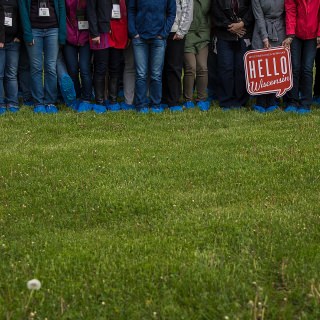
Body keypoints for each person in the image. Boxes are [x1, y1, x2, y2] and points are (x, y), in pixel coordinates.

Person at [128, 0, 176, 113]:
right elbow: (131, 10)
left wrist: (164, 34)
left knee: (156, 74)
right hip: (139, 38)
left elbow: (172, 13)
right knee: (141, 74)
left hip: (158, 38)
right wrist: (133, 33)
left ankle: (156, 105)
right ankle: (141, 105)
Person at [19, 0, 66, 113]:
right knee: (36, 68)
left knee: (50, 67)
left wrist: (62, 34)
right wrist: (28, 34)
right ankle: (38, 102)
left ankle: (50, 102)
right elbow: (23, 11)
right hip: (34, 30)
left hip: (53, 30)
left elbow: (61, 8)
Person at [212, 0, 254, 111]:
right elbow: (216, 11)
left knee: (241, 68)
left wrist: (242, 23)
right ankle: (226, 101)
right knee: (226, 67)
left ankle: (240, 101)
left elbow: (252, 9)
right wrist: (230, 26)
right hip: (224, 34)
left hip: (244, 33)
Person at [282, 0, 320, 113]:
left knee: (307, 69)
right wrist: (290, 34)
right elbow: (290, 12)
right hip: (295, 35)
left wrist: (319, 34)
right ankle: (292, 101)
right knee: (294, 68)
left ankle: (306, 103)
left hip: (312, 36)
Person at [251, 0, 285, 113]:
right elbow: (258, 16)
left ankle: (273, 101)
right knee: (261, 67)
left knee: (275, 67)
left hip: (279, 29)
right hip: (260, 31)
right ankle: (260, 101)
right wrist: (264, 37)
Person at [162, 0, 193, 112]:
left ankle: (174, 100)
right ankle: (164, 99)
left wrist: (181, 31)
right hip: (160, 31)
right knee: (162, 66)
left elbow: (187, 9)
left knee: (174, 67)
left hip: (175, 32)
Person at [64, 0, 92, 112]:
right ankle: (76, 96)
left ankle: (87, 98)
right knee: (72, 69)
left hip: (86, 38)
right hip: (69, 37)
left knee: (85, 69)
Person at [183, 0, 211, 111]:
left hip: (203, 35)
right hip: (187, 34)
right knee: (191, 67)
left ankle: (202, 99)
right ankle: (188, 100)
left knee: (203, 67)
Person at [87, 0, 112, 113]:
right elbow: (91, 11)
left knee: (104, 66)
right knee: (100, 68)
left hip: (105, 31)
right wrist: (94, 33)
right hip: (98, 34)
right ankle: (99, 101)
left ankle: (103, 97)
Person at [105, 0, 128, 112]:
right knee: (101, 67)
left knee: (115, 67)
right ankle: (103, 98)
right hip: (104, 33)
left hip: (120, 33)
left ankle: (113, 99)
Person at [0, 0, 21, 114]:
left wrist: (19, 36)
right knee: (0, 74)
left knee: (11, 74)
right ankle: (1, 103)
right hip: (0, 43)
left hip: (13, 42)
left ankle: (12, 102)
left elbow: (21, 16)